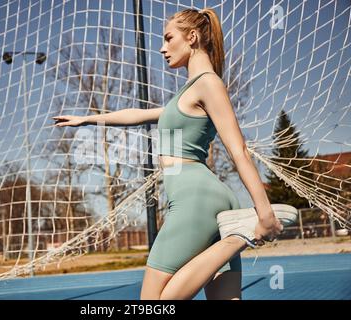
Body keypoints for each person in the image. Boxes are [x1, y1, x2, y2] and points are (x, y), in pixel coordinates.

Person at [51, 7, 283, 300]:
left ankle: (239, 236)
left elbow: (238, 150)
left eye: (168, 38)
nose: (162, 48)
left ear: (193, 37)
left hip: (194, 198)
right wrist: (87, 119)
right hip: (208, 197)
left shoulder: (209, 83)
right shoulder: (187, 93)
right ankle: (237, 235)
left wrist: (263, 211)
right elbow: (137, 114)